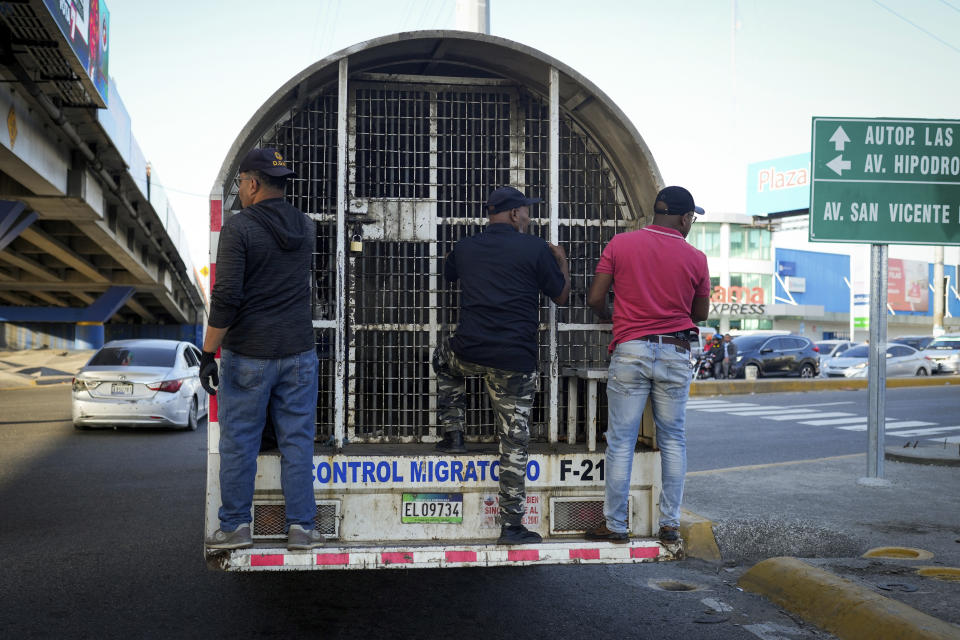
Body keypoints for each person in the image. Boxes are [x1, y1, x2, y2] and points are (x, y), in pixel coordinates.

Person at [432, 185, 570, 545]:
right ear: (513, 215)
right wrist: (562, 262)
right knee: (514, 441)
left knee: (442, 362)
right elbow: (561, 295)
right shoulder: (537, 249)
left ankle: (454, 434)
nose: (529, 216)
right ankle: (511, 526)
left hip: (470, 351)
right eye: (527, 211)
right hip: (514, 360)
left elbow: (449, 275)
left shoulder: (464, 248)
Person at [201, 148, 322, 552]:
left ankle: (236, 526)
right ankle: (302, 527)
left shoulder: (240, 228)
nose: (241, 190)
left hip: (249, 353)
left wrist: (207, 353)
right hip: (299, 353)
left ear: (252, 183)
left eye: (241, 184)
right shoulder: (306, 227)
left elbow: (227, 297)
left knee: (239, 443)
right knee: (297, 442)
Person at [585, 186, 710, 545]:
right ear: (685, 218)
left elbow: (595, 297)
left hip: (630, 350)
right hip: (674, 352)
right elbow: (700, 313)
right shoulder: (696, 257)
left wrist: (616, 318)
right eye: (692, 218)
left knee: (621, 440)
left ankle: (616, 525)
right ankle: (669, 524)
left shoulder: (620, 245)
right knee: (674, 440)